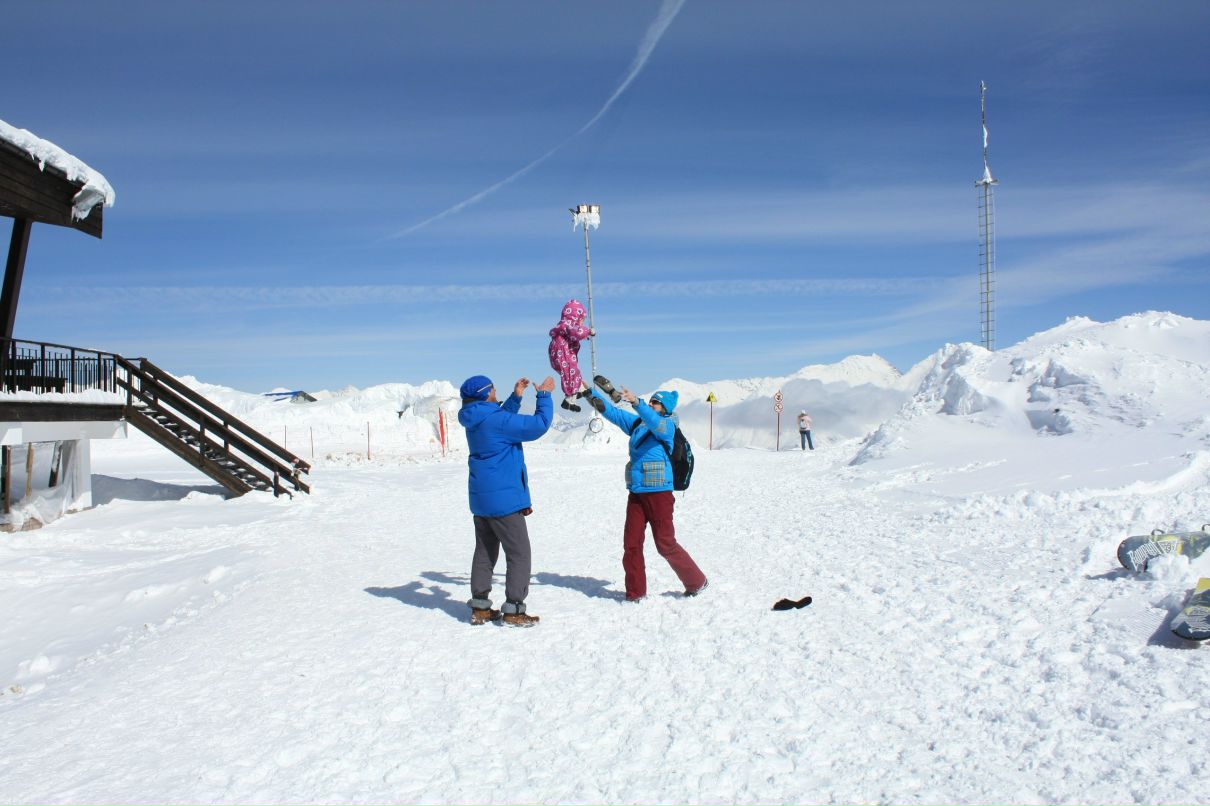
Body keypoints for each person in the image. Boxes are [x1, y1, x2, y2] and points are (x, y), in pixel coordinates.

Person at [588, 378, 707, 601]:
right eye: (651, 401)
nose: (652, 405)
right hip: (636, 492)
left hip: (660, 493)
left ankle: (696, 581)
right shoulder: (638, 425)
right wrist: (588, 394)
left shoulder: (667, 426)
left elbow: (654, 421)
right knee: (631, 544)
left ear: (665, 409)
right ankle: (635, 593)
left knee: (665, 544)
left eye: (656, 403)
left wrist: (638, 402)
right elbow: (612, 413)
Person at [457, 373, 555, 627]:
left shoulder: (473, 418)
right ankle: (514, 609)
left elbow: (497, 421)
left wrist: (515, 398)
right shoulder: (496, 420)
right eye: (492, 388)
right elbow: (538, 424)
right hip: (503, 499)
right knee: (519, 553)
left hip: (481, 499)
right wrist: (544, 395)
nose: (494, 391)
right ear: (485, 393)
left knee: (485, 552)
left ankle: (480, 607)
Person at [547, 299, 595, 412]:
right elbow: (577, 332)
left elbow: (574, 335)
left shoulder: (565, 327)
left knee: (574, 373)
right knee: (571, 373)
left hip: (559, 356)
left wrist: (584, 336)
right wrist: (589, 332)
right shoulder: (568, 325)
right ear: (574, 316)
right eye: (582, 319)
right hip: (563, 355)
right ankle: (569, 399)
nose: (582, 322)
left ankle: (580, 390)